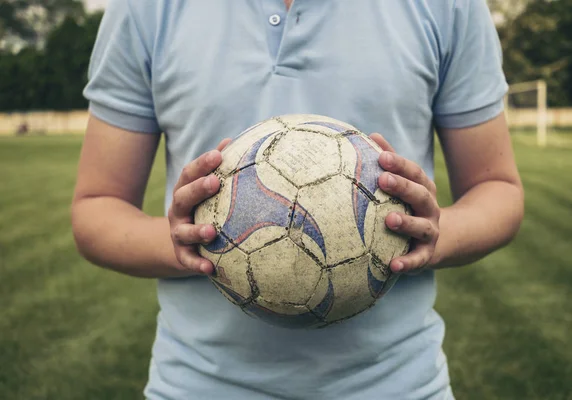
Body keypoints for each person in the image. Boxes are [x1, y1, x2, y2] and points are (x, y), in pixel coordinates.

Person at [71, 0, 524, 399]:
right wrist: (186, 241)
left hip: (397, 383)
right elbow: (97, 206)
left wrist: (432, 235)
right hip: (198, 384)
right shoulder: (145, 8)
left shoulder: (449, 5)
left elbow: (498, 190)